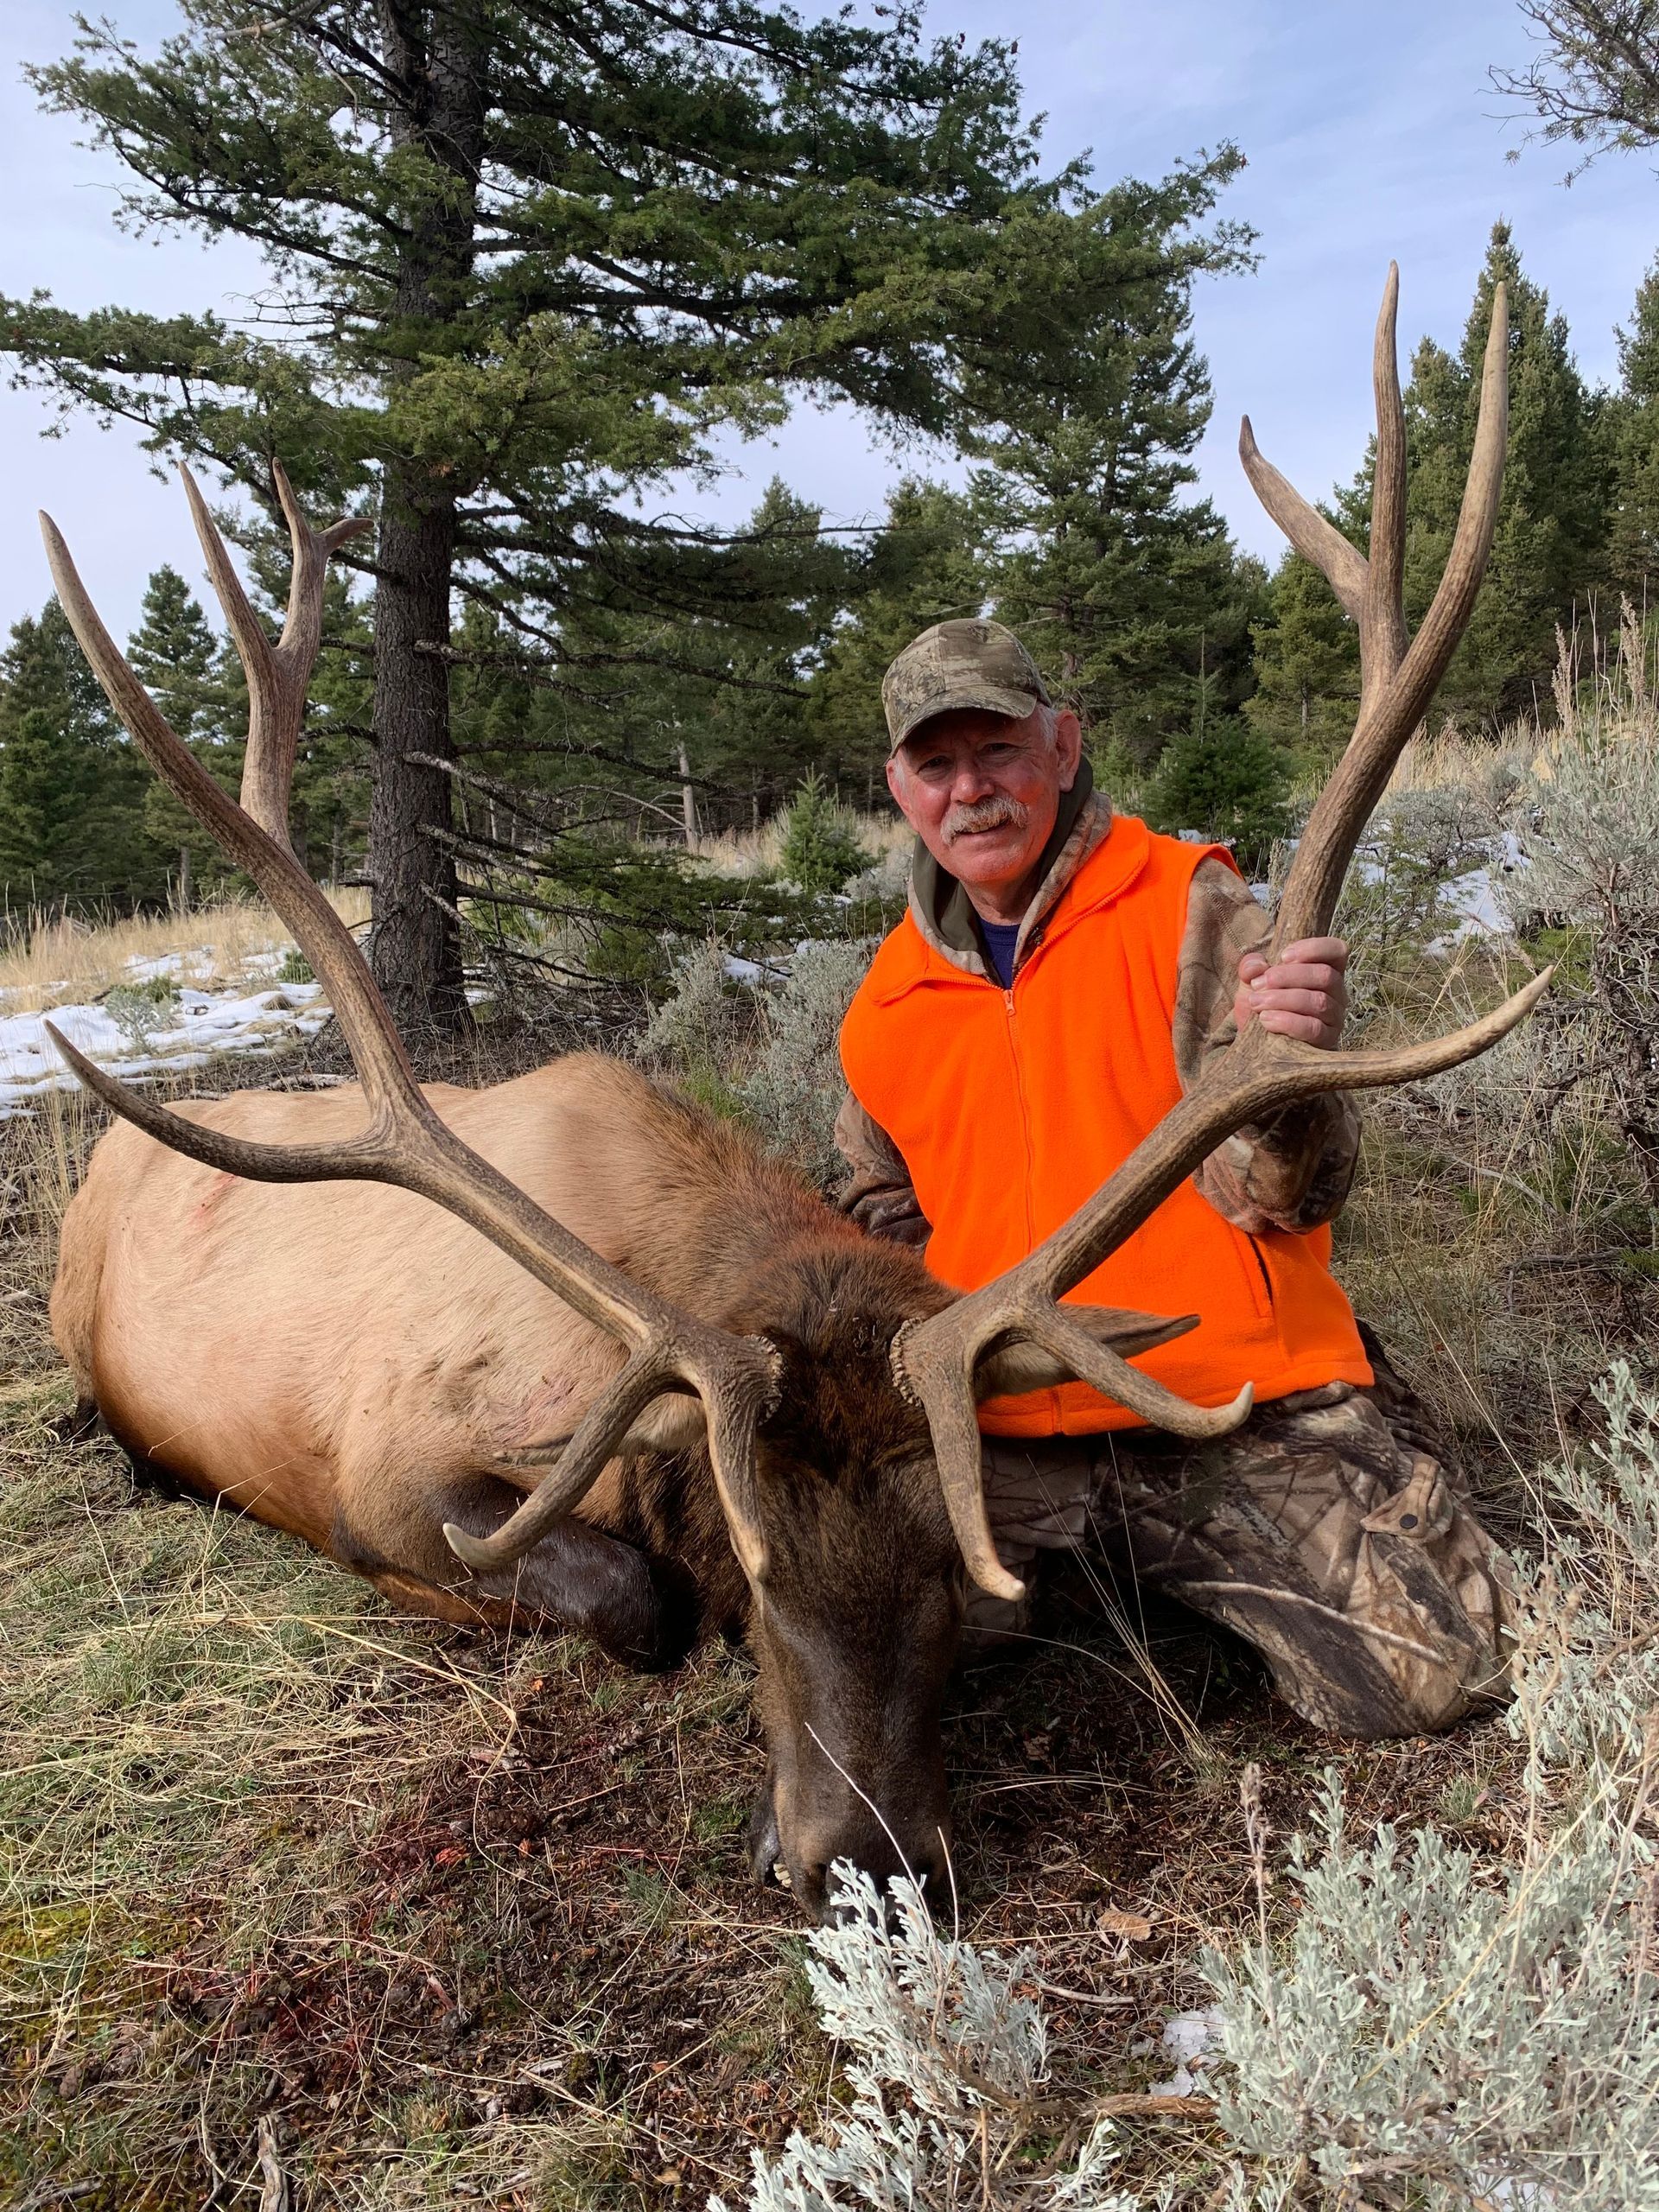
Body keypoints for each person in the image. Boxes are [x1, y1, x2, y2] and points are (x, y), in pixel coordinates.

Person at [835, 618, 1512, 1739]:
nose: (972, 791)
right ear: (899, 787)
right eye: (937, 764)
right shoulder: (884, 1009)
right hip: (1009, 1442)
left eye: (999, 750)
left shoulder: (1190, 909)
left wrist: (1289, 1083)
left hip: (1228, 1410)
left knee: (1443, 1674)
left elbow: (1286, 1193)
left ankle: (1256, 1538)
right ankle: (1139, 1587)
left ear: (1062, 744)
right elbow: (883, 1209)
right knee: (841, 1616)